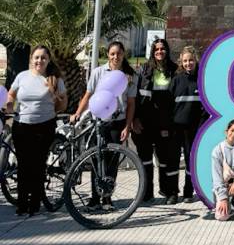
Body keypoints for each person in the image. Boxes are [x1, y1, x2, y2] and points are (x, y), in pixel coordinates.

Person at [70, 41, 136, 210]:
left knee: (112, 163)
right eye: (112, 53)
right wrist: (78, 113)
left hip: (117, 122)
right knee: (96, 159)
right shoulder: (98, 72)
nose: (115, 57)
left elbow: (131, 103)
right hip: (98, 121)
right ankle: (94, 198)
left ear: (123, 55)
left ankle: (106, 198)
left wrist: (127, 126)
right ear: (108, 54)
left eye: (119, 54)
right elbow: (88, 94)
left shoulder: (130, 76)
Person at [5, 45, 67, 216]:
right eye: (37, 57)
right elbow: (11, 94)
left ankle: (34, 203)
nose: (40, 61)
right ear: (32, 59)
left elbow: (64, 104)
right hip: (21, 125)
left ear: (48, 60)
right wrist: (9, 104)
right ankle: (22, 203)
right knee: (23, 164)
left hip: (44, 126)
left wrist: (57, 98)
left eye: (43, 58)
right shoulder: (22, 76)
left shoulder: (54, 79)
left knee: (38, 165)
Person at [133, 38, 180, 204]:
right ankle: (146, 193)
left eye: (162, 49)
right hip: (144, 122)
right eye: (156, 49)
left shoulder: (175, 70)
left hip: (166, 122)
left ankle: (170, 191)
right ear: (152, 52)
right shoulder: (143, 70)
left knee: (167, 159)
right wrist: (134, 119)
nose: (159, 52)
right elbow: (135, 97)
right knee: (145, 159)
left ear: (167, 51)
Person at [170, 46, 206, 202]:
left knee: (191, 159)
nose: (188, 63)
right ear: (181, 62)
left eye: (191, 60)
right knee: (173, 159)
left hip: (194, 128)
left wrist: (201, 126)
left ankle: (187, 192)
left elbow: (205, 108)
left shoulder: (201, 80)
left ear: (195, 60)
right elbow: (168, 104)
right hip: (176, 127)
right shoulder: (176, 80)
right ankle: (172, 193)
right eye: (185, 61)